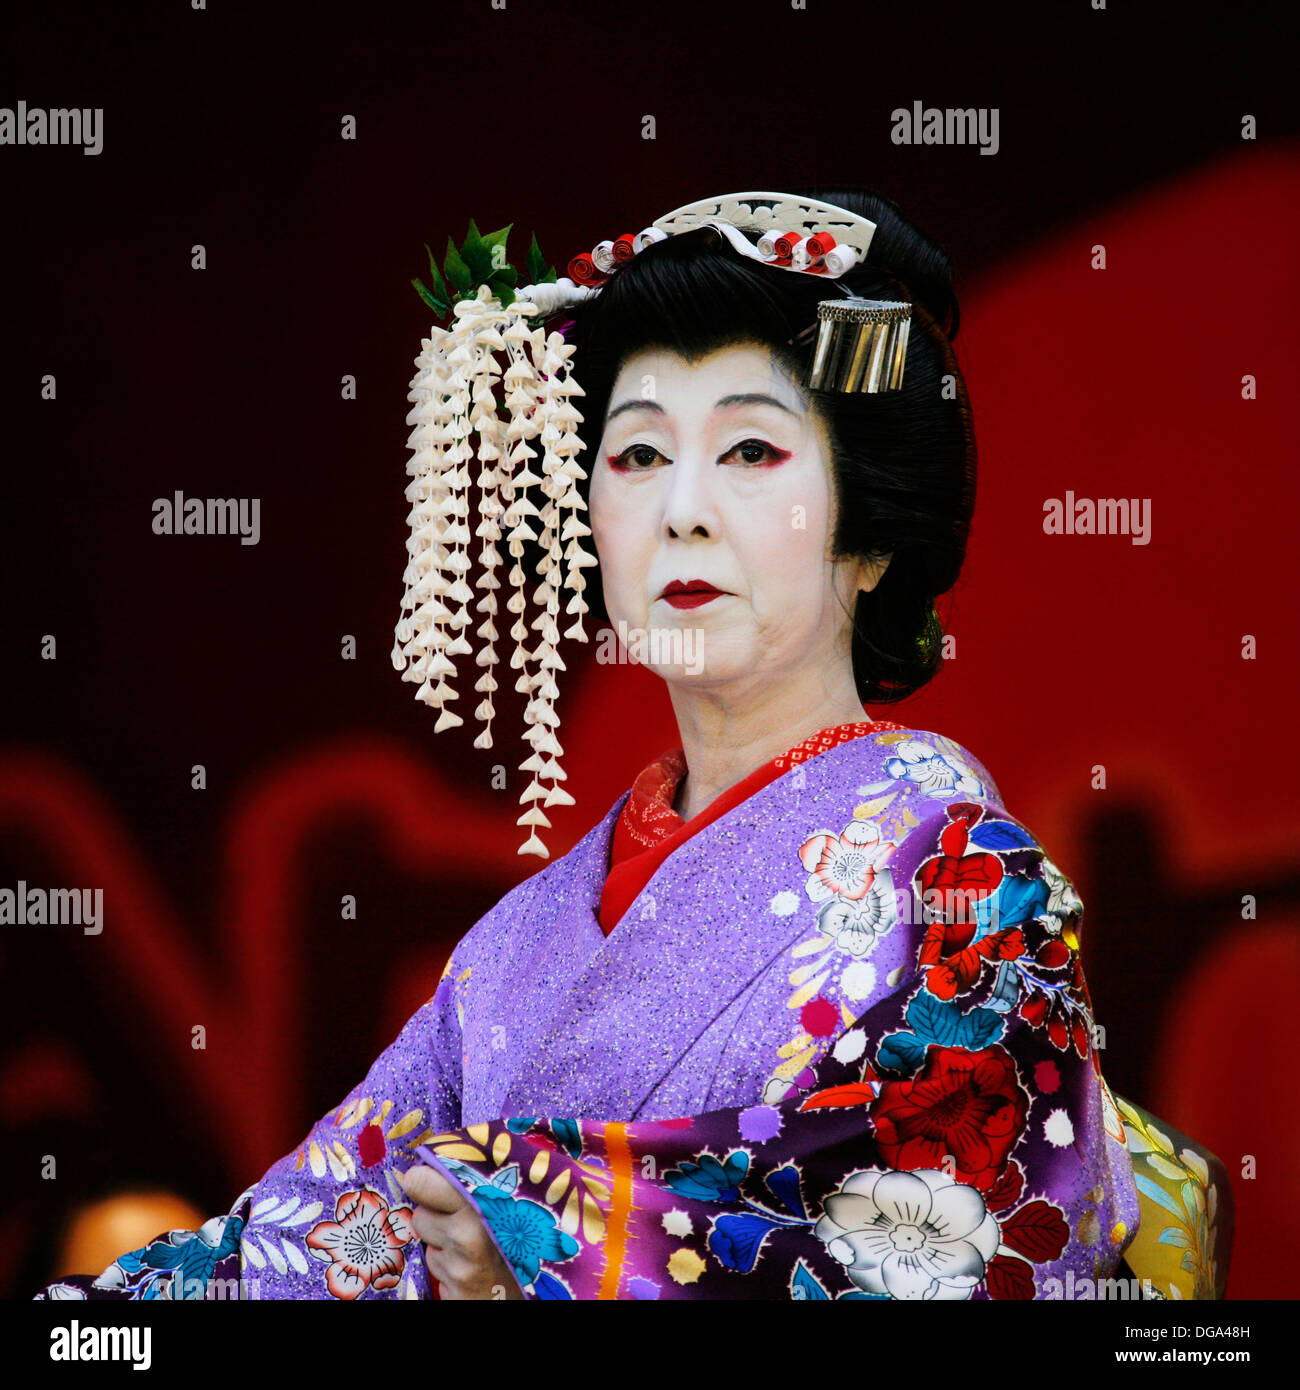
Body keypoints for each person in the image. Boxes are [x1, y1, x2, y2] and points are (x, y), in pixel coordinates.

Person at [35, 188, 1231, 1302]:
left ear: (872, 535)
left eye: (752, 452)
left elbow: (987, 1242)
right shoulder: (515, 949)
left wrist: (559, 1239)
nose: (683, 508)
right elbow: (300, 1236)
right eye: (639, 453)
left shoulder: (962, 880)